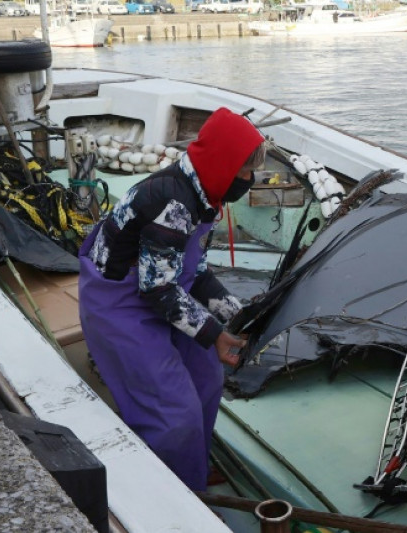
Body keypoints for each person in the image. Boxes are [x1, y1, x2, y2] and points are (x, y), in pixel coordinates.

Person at [78, 107, 266, 491]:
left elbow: (193, 272)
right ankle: (176, 492)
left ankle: (191, 461)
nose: (250, 179)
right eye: (245, 170)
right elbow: (156, 289)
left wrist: (241, 316)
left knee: (208, 379)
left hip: (165, 290)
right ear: (223, 164)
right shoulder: (173, 203)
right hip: (121, 301)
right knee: (173, 413)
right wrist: (215, 334)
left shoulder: (206, 193)